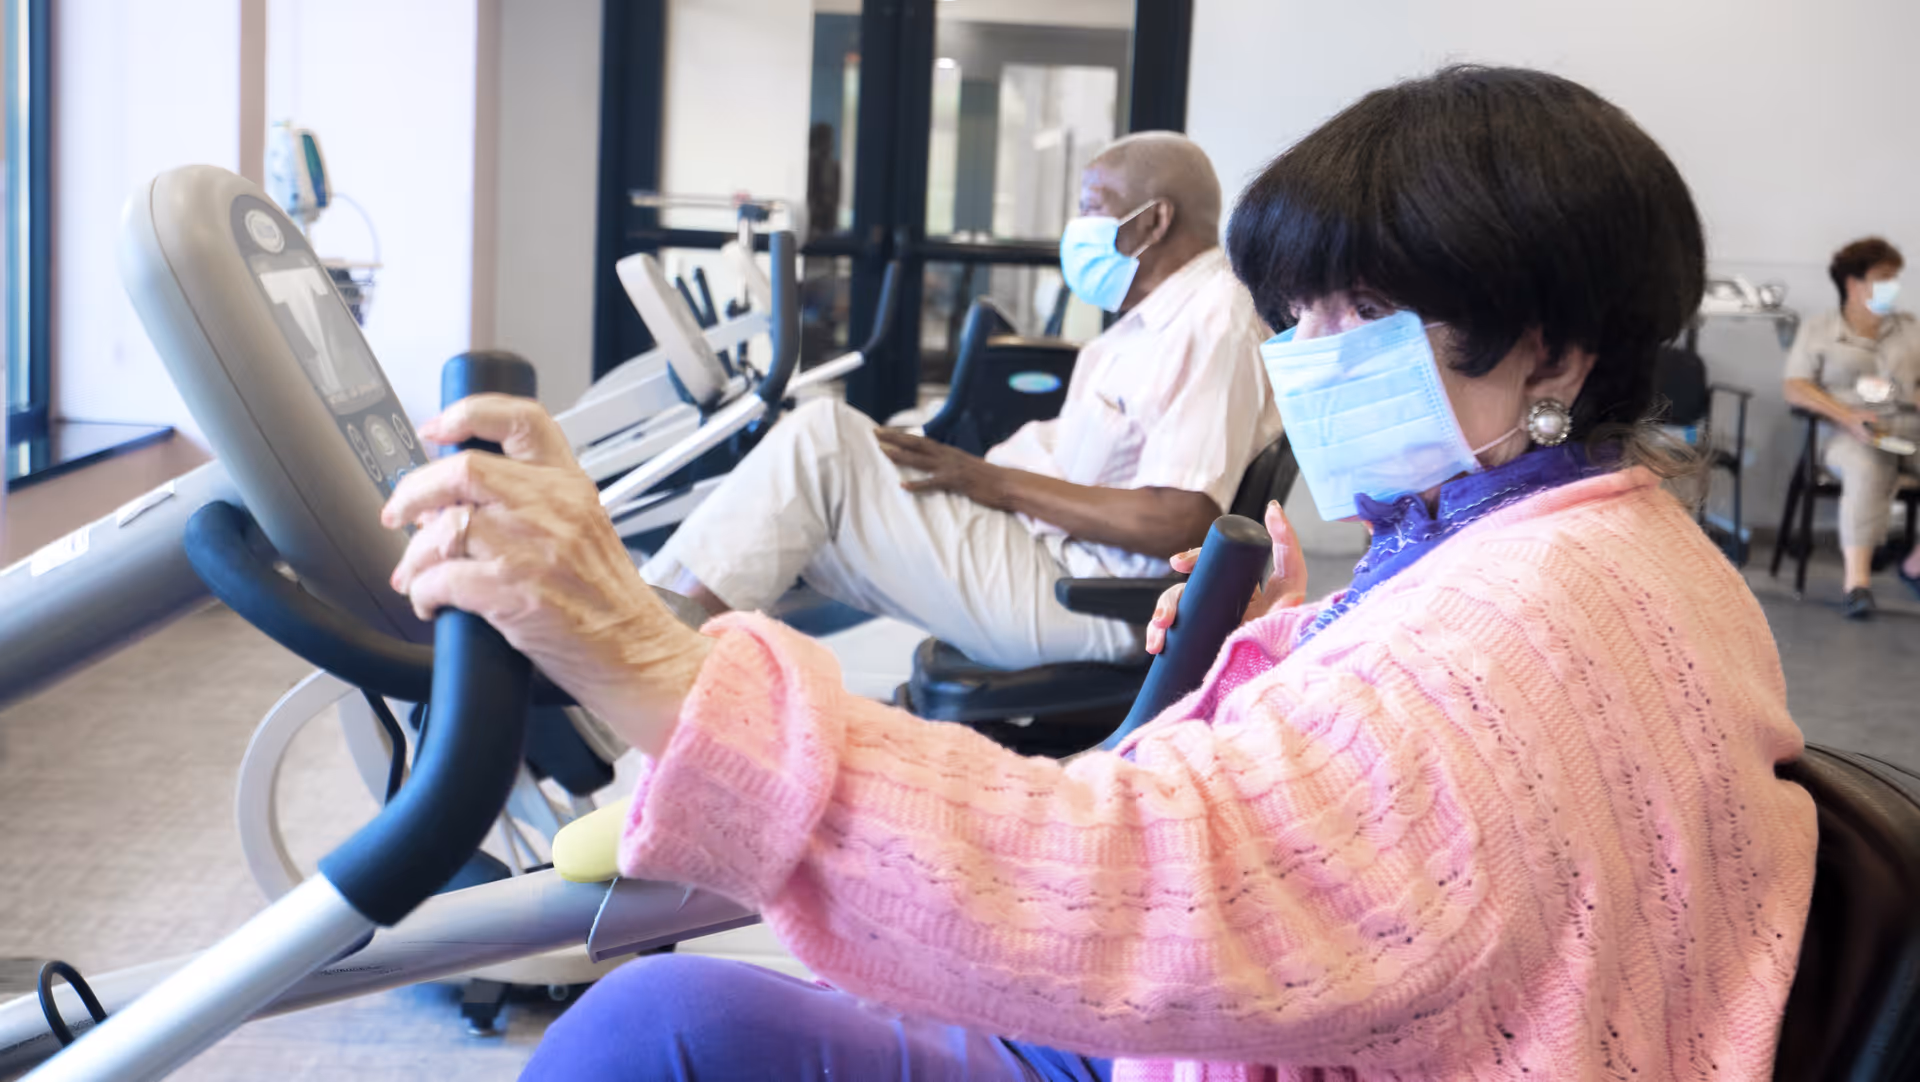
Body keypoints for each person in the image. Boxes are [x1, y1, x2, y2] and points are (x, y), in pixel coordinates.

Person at [383, 67, 1816, 1080]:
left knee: (648, 1034)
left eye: (1363, 315)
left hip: (1242, 1006)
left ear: (1553, 349)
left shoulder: (1506, 634)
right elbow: (1421, 775)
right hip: (1318, 995)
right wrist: (1297, 647)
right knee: (676, 1010)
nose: (1310, 357)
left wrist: (647, 662)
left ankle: (636, 676)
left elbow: (1133, 883)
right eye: (1300, 314)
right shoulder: (1614, 541)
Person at [639, 131, 1282, 670]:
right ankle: (642, 639)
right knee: (813, 487)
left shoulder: (1213, 319)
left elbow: (1182, 520)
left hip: (1090, 598)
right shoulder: (1150, 321)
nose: (1079, 226)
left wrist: (994, 483)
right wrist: (959, 465)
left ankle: (637, 661)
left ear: (1154, 219)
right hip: (1044, 554)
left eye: (1093, 207)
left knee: (820, 442)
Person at [1782, 236, 1920, 618]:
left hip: (1908, 429)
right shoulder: (1820, 329)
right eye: (1883, 277)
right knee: (1868, 466)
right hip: (1848, 433)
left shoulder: (1909, 329)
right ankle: (1857, 584)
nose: (1892, 286)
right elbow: (1795, 387)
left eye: (1895, 277)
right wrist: (1846, 417)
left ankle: (1914, 566)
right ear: (1853, 283)